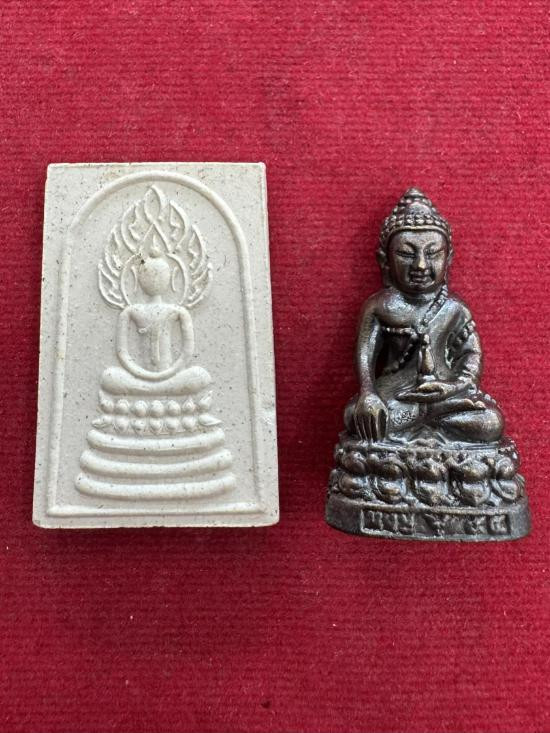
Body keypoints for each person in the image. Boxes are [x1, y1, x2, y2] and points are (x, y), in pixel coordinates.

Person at [345, 188, 503, 444]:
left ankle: (428, 416)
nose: (420, 265)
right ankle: (427, 417)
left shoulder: (454, 309)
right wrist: (368, 393)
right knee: (356, 418)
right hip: (396, 396)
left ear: (448, 259)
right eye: (406, 254)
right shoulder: (379, 307)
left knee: (490, 422)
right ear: (385, 261)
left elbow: (471, 358)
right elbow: (365, 356)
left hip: (445, 394)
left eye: (432, 254)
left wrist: (451, 387)